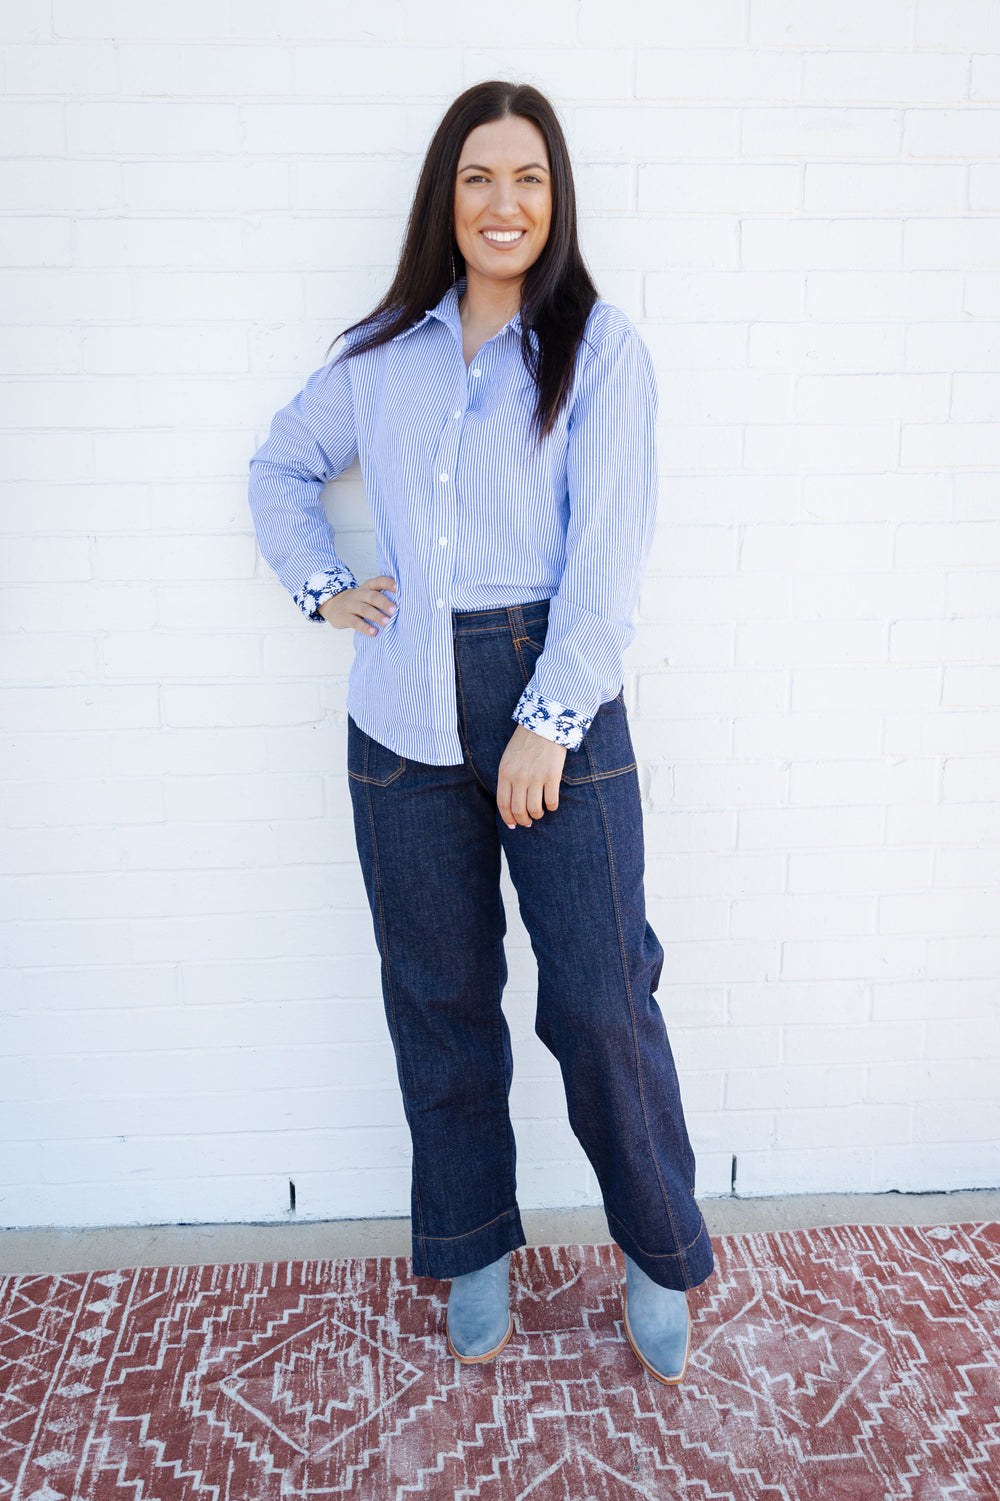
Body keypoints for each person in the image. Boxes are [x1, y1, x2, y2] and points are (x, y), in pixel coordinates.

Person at [248, 80, 714, 1385]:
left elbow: (607, 570)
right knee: (441, 1000)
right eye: (477, 179)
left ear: (555, 200)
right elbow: (278, 467)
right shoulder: (381, 354)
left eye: (527, 179)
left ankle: (657, 1246)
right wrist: (322, 589)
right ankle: (473, 1241)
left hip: (548, 689)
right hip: (398, 707)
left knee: (601, 1000)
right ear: (445, 201)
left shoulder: (601, 348)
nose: (502, 204)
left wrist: (547, 722)